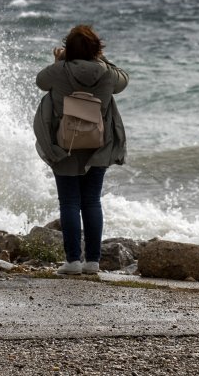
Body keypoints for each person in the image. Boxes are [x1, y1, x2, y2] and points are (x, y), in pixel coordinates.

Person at [34, 25, 128, 275]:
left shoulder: (58, 71)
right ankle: (93, 262)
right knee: (92, 201)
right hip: (98, 145)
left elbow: (40, 82)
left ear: (68, 49)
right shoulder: (107, 74)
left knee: (69, 202)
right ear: (97, 49)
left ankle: (73, 261)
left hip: (65, 144)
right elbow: (124, 79)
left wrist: (58, 60)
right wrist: (100, 58)